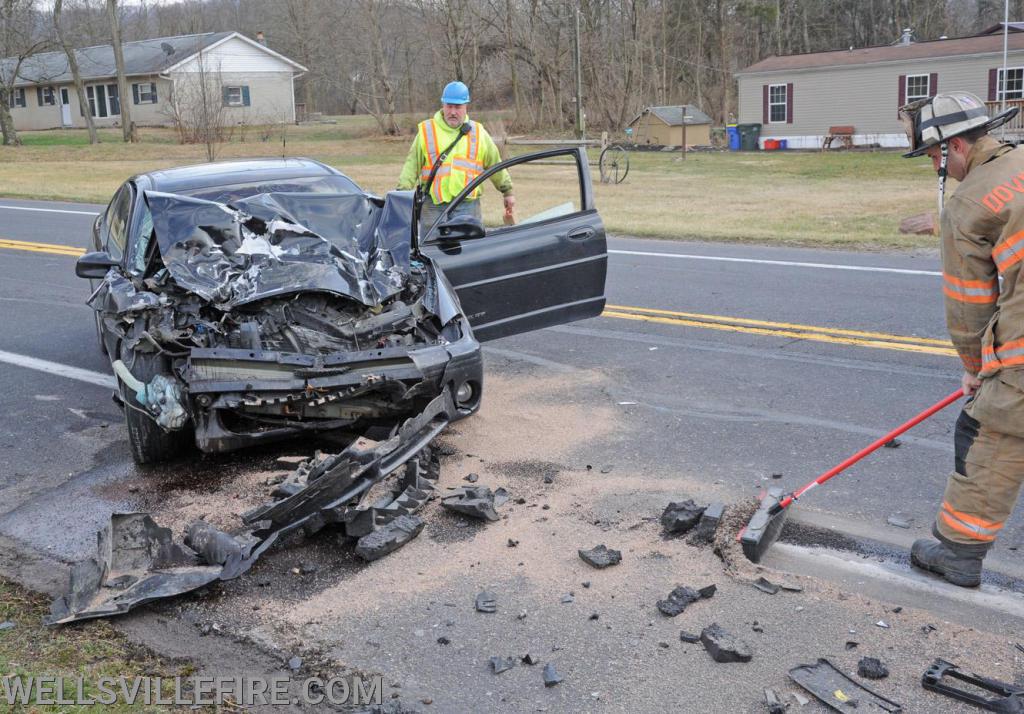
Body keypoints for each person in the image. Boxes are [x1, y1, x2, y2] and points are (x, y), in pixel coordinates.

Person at [899, 91, 1021, 587]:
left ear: (955, 147)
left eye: (932, 155)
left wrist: (975, 368)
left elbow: (968, 303)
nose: (935, 167)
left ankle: (959, 554)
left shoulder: (968, 203)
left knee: (991, 432)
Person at [398, 81, 515, 233]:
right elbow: (411, 166)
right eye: (449, 106)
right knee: (431, 252)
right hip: (433, 206)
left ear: (466, 106)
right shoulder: (427, 131)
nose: (453, 112)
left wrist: (508, 191)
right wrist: (400, 194)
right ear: (443, 105)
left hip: (467, 206)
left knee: (469, 252)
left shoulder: (479, 133)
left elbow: (495, 165)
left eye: (458, 107)